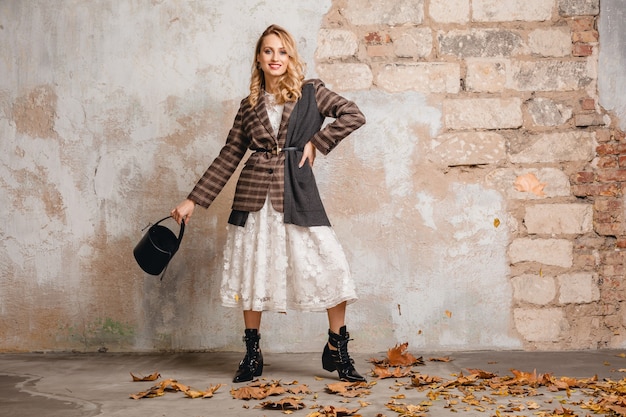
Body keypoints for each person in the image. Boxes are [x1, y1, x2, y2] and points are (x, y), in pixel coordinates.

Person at [171, 24, 366, 383]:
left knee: (331, 265)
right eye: (268, 51)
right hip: (253, 196)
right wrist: (192, 200)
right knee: (252, 271)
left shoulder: (312, 92)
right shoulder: (248, 106)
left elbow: (353, 114)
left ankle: (337, 348)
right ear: (259, 58)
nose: (275, 58)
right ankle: (252, 353)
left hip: (296, 191)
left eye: (282, 51)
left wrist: (317, 143)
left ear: (291, 57)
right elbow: (230, 154)